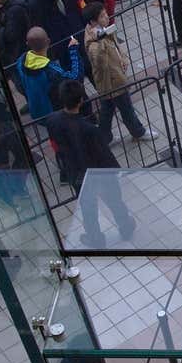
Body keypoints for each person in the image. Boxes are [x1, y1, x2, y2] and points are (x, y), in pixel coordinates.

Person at [47, 79, 136, 246]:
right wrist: (115, 171)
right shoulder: (89, 130)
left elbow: (56, 146)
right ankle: (125, 226)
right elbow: (104, 155)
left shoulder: (53, 121)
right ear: (81, 100)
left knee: (88, 207)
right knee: (114, 200)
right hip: (98, 174)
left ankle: (95, 237)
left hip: (76, 173)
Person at [83, 1, 158, 142]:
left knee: (107, 109)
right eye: (103, 16)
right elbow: (98, 60)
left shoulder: (104, 30)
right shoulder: (92, 41)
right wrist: (99, 40)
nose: (107, 17)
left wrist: (123, 59)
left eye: (106, 14)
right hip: (112, 81)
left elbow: (116, 46)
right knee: (126, 108)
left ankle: (104, 137)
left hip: (113, 78)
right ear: (93, 21)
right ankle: (138, 132)